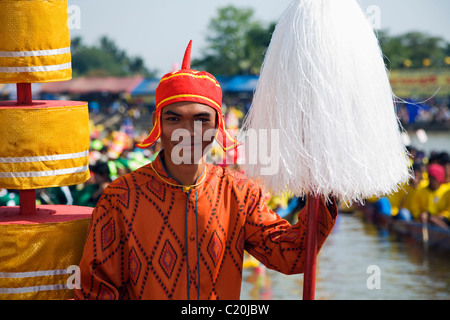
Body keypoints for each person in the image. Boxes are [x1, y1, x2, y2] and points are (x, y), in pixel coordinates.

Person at [74, 41, 337, 300]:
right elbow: (96, 291)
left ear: (218, 125)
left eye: (201, 119)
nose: (187, 132)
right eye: (174, 118)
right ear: (157, 124)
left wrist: (325, 182)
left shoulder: (240, 193)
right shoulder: (121, 197)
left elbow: (292, 257)